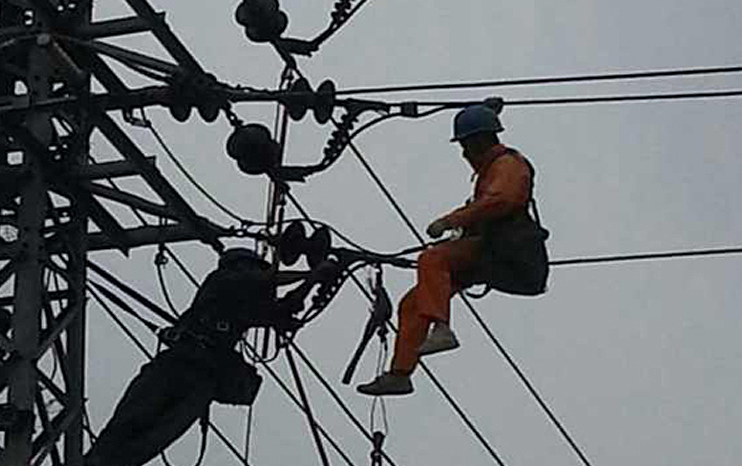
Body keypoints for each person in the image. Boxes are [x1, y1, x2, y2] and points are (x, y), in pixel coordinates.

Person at [357, 99, 549, 396]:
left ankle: (442, 329)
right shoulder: (492, 170)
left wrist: (450, 221)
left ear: (479, 142)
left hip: (507, 250)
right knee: (415, 302)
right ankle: (400, 374)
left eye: (465, 145)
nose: (464, 153)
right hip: (491, 250)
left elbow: (501, 200)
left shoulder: (508, 165)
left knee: (432, 260)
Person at [84, 248, 332, 466]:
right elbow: (263, 281)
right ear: (240, 267)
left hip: (203, 379)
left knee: (154, 438)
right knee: (130, 422)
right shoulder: (221, 282)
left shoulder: (243, 309)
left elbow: (283, 311)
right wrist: (310, 275)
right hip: (175, 366)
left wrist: (311, 282)